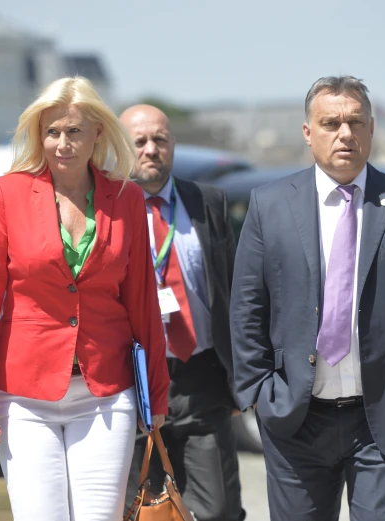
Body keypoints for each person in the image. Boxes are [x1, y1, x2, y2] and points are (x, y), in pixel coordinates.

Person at [229, 75, 385, 521]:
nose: (345, 134)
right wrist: (256, 390)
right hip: (294, 417)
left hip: (384, 415)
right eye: (331, 123)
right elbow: (248, 303)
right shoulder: (269, 205)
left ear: (371, 128)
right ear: (308, 132)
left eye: (355, 122)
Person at [0, 77, 170, 521]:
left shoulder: (127, 198)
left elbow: (143, 306)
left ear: (97, 132)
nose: (62, 143)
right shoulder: (5, 194)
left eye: (74, 131)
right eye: (52, 131)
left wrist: (156, 395)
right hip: (23, 397)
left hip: (105, 395)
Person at [119, 104, 246, 521]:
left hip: (201, 375)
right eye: (140, 141)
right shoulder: (106, 208)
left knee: (221, 508)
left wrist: (239, 375)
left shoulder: (207, 201)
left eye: (161, 139)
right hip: (133, 378)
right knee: (147, 508)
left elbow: (231, 288)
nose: (151, 149)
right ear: (121, 147)